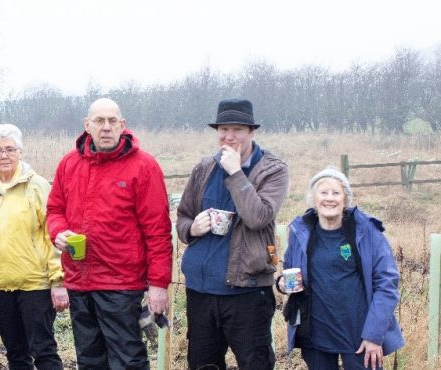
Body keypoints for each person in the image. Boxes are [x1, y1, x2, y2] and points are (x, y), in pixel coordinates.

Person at [45, 98, 172, 370]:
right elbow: (54, 209)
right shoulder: (69, 164)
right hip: (79, 280)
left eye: (112, 121)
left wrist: (158, 284)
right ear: (87, 125)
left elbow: (158, 231)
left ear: (122, 125)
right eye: (99, 121)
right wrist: (57, 232)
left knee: (127, 361)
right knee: (89, 360)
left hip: (121, 283)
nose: (106, 127)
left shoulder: (143, 166)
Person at [176, 98, 290, 370]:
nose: (229, 136)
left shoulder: (272, 169)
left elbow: (258, 217)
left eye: (237, 129)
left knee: (255, 364)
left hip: (247, 292)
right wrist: (192, 228)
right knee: (203, 365)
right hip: (201, 290)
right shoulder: (204, 168)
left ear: (252, 131)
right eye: (223, 129)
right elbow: (182, 217)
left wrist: (236, 172)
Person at [0, 123, 65, 370]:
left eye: (9, 149)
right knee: (16, 354)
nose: (4, 155)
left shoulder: (37, 186)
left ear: (20, 151)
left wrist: (58, 281)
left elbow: (52, 235)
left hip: (35, 285)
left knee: (44, 351)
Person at [283, 167, 404, 370]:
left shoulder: (367, 231)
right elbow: (289, 269)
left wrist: (374, 335)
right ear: (313, 199)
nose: (329, 198)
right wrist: (282, 283)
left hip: (360, 335)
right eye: (323, 192)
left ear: (345, 199)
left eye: (336, 193)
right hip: (316, 334)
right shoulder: (300, 231)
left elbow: (387, 284)